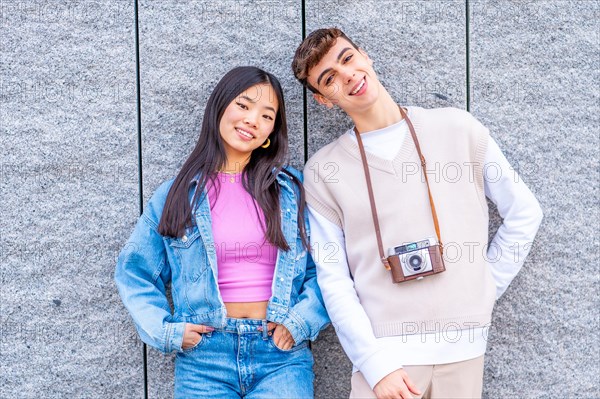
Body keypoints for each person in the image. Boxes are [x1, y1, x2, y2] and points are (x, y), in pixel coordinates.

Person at [291, 28, 543, 399]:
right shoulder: (323, 171)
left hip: (464, 353)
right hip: (384, 363)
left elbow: (525, 212)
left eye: (347, 59)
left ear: (365, 55)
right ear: (323, 100)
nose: (346, 76)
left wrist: (484, 287)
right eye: (328, 79)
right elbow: (334, 279)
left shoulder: (458, 128)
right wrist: (376, 365)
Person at [114, 66, 329, 399]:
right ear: (220, 107)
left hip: (281, 358)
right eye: (243, 105)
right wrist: (167, 332)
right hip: (204, 359)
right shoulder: (177, 195)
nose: (252, 120)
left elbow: (329, 266)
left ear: (272, 130)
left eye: (266, 115)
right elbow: (135, 272)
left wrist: (301, 321)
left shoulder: (292, 190)